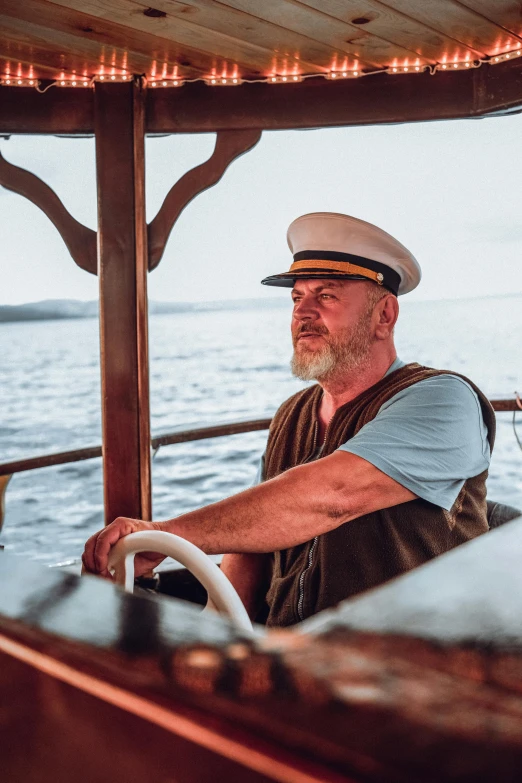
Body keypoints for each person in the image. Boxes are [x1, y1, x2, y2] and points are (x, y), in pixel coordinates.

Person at [82, 212, 494, 627]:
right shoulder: (292, 414)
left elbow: (331, 495)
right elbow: (253, 537)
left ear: (384, 315)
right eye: (297, 298)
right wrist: (222, 635)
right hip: (298, 652)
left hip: (414, 659)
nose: (304, 312)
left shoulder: (443, 399)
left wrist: (168, 537)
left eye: (327, 296)